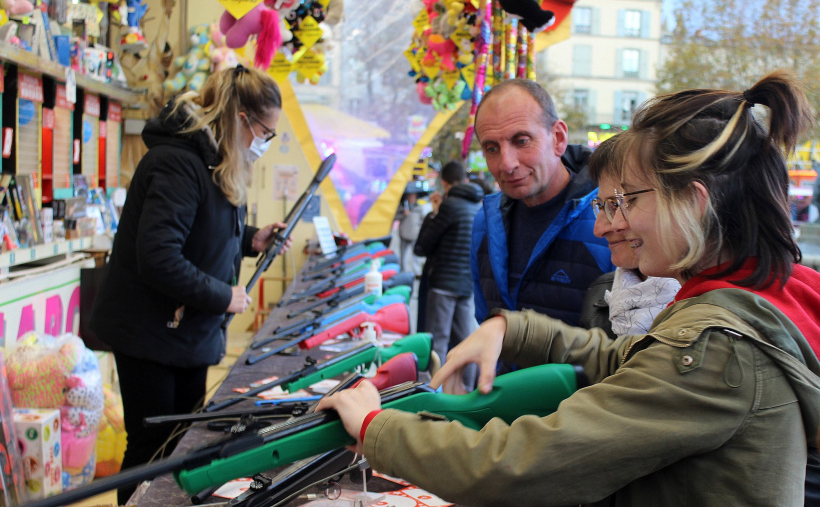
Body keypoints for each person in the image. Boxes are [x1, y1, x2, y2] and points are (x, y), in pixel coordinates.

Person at [317, 70, 820, 506]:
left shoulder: (717, 348)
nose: (606, 228)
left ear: (693, 203)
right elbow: (626, 358)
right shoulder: (747, 307)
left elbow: (518, 463)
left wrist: (373, 428)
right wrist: (512, 327)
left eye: (624, 203)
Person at [90, 64, 289, 504]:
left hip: (185, 333)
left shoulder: (216, 159)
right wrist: (224, 296)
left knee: (180, 443)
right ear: (240, 118)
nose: (264, 143)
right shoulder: (179, 162)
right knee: (152, 449)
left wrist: (251, 238)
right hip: (151, 333)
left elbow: (208, 227)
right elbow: (159, 256)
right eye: (264, 131)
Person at [470, 78, 613, 326]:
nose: (507, 163)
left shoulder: (612, 218)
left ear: (558, 138)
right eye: (492, 148)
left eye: (521, 141)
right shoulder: (484, 221)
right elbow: (485, 321)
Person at [579, 135, 680, 338]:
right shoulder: (603, 293)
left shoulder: (711, 308)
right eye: (601, 206)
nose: (599, 229)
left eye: (619, 204)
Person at [413, 160, 483, 383]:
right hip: (467, 283)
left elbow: (422, 246)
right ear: (466, 180)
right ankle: (469, 386)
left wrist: (433, 214)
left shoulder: (449, 205)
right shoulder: (478, 205)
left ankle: (434, 390)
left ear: (444, 183)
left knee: (438, 343)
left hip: (443, 284)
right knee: (466, 340)